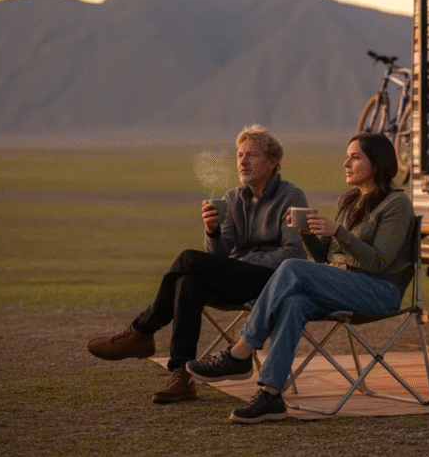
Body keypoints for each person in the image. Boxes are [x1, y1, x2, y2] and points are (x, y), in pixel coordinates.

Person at [185, 133, 415, 423]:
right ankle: (270, 394)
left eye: (355, 157)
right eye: (347, 156)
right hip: (344, 285)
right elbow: (328, 260)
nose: (346, 163)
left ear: (378, 163)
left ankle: (241, 351)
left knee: (293, 267)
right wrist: (311, 236)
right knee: (294, 302)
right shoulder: (350, 202)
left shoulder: (396, 205)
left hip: (380, 291)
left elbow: (378, 261)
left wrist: (337, 232)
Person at [87, 125, 308, 404]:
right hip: (235, 279)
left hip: (272, 282)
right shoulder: (232, 199)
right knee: (187, 282)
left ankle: (143, 330)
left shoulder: (291, 195)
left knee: (188, 259)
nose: (242, 161)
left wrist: (242, 262)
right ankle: (182, 376)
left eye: (251, 155)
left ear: (273, 162)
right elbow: (218, 255)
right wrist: (213, 230)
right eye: (239, 155)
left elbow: (293, 254)